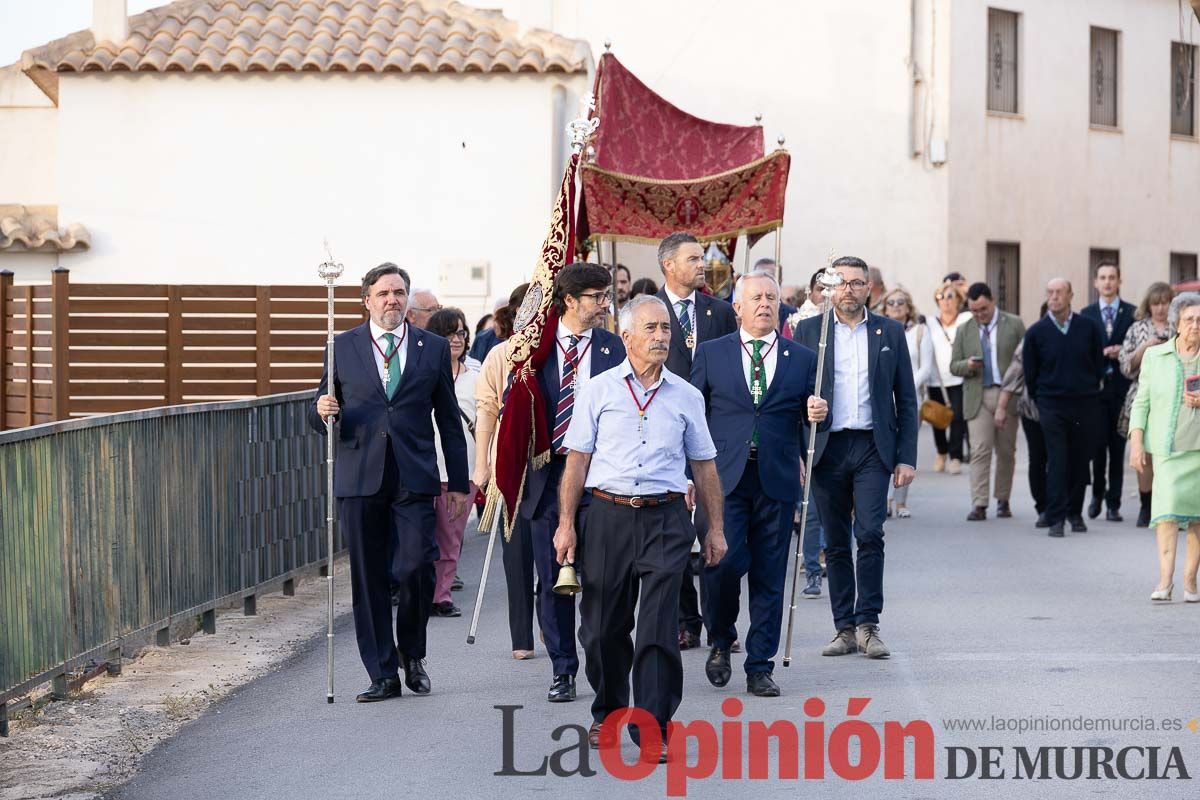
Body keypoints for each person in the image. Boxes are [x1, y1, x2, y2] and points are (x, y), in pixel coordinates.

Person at [554, 294, 727, 761]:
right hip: (608, 515)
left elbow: (705, 466)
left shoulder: (687, 395)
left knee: (656, 627)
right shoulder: (599, 390)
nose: (660, 337)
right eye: (650, 329)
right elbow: (577, 462)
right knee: (603, 628)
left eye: (666, 329)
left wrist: (715, 529)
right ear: (626, 336)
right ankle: (607, 712)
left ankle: (653, 727)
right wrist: (566, 524)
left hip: (667, 518)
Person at [311, 263, 468, 703]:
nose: (392, 300)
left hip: (414, 475)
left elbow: (449, 420)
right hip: (360, 475)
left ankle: (412, 654)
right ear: (367, 300)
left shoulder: (431, 348)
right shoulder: (341, 346)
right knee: (369, 577)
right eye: (383, 293)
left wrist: (457, 482)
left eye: (399, 292)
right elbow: (318, 412)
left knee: (416, 566)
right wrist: (320, 410)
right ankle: (382, 672)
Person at [692, 273, 827, 697]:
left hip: (777, 475)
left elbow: (818, 412)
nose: (765, 304)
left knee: (770, 574)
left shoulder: (801, 358)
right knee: (722, 564)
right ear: (738, 307)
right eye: (756, 297)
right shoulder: (712, 355)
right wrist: (687, 475)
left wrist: (818, 410)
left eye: (771, 297)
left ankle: (759, 665)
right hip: (722, 478)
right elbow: (691, 414)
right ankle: (719, 636)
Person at [794, 257, 918, 660]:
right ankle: (843, 628)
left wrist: (906, 458)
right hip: (828, 448)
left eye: (856, 283)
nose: (848, 289)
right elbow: (793, 392)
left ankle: (868, 624)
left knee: (869, 533)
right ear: (830, 289)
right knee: (835, 542)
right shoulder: (810, 330)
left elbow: (907, 399)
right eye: (841, 282)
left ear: (869, 289)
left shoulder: (890, 332)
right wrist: (805, 412)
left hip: (871, 448)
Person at [520, 264, 625, 703]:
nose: (605, 305)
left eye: (606, 296)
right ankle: (563, 669)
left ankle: (602, 658)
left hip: (601, 475)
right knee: (553, 577)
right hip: (549, 474)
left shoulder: (613, 348)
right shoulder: (534, 349)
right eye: (597, 297)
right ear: (570, 302)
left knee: (600, 577)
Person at [654, 231, 738, 650]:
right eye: (693, 258)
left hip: (711, 437)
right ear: (669, 265)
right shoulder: (648, 311)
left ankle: (721, 621)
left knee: (710, 529)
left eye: (701, 257)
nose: (701, 264)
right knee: (673, 535)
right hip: (665, 438)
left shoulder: (719, 312)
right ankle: (686, 620)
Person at [475, 283, 538, 660]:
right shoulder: (500, 355)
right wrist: (481, 463)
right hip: (509, 464)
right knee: (516, 554)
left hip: (550, 461)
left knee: (553, 552)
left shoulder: (552, 352)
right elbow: (485, 408)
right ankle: (522, 636)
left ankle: (551, 619)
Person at [1128, 292, 1200, 603]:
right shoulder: (1155, 357)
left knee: (1198, 517)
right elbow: (1140, 403)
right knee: (1166, 514)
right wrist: (1136, 443)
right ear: (1176, 323)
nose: (1195, 325)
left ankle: (1190, 581)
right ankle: (1165, 580)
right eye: (1189, 320)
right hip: (1168, 451)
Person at [1022, 278, 1105, 537]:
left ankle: (1075, 513)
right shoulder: (1036, 332)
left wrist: (1089, 389)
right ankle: (1056, 517)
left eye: (1059, 292)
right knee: (1057, 459)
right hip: (1051, 404)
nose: (1054, 297)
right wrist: (1042, 397)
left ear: (1071, 295)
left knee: (1080, 459)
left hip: (1084, 403)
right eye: (1050, 292)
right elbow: (1030, 372)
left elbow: (1098, 363)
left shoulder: (1088, 327)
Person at [950, 283, 1025, 521]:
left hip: (1008, 394)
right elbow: (954, 365)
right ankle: (979, 503)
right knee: (979, 451)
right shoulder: (964, 329)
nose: (979, 314)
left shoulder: (1014, 324)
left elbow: (1024, 360)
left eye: (983, 308)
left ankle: (1003, 500)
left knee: (1006, 451)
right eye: (974, 310)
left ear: (992, 301)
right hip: (977, 395)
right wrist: (968, 366)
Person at [425, 308, 478, 618]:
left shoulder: (477, 374)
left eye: (460, 333)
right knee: (420, 539)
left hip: (461, 470)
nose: (456, 340)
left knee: (450, 539)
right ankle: (420, 592)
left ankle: (441, 596)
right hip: (424, 468)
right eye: (448, 334)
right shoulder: (421, 371)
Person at [1080, 262, 1136, 522]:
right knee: (1097, 447)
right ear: (1095, 282)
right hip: (1096, 392)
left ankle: (1114, 503)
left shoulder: (1132, 313)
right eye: (1102, 278)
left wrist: (1121, 352)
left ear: (1119, 281)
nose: (1107, 282)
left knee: (1118, 447)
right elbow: (1082, 352)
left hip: (1122, 390)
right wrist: (1101, 354)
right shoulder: (1086, 314)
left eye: (1112, 277)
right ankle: (1097, 496)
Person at [1119, 282, 1176, 527]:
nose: (1161, 308)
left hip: (1174, 398)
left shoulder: (1181, 327)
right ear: (1148, 305)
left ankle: (1170, 506)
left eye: (1165, 303)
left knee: (1170, 454)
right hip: (1144, 396)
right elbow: (1125, 366)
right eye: (1156, 303)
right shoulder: (1137, 329)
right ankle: (1146, 504)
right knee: (1144, 454)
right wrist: (1145, 346)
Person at [881, 287, 931, 518]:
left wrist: (904, 387)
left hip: (910, 401)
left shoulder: (920, 331)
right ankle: (885, 499)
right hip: (883, 400)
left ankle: (901, 501)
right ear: (884, 307)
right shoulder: (879, 331)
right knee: (884, 449)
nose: (896, 305)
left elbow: (926, 367)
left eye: (901, 301)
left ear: (909, 305)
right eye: (891, 302)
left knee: (905, 449)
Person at [997, 336, 1049, 525]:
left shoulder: (1076, 334)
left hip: (1066, 409)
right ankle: (1043, 507)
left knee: (1062, 459)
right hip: (1033, 411)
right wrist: (1001, 408)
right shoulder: (1031, 339)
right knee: (1038, 458)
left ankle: (1064, 507)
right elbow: (1014, 375)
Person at [926, 282, 972, 474]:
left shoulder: (965, 319)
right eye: (941, 297)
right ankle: (941, 452)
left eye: (950, 296)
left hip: (959, 377)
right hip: (936, 379)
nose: (945, 301)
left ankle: (955, 457)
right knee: (937, 417)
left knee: (958, 418)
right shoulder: (929, 322)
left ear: (959, 300)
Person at [751, 258, 797, 334]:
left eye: (769, 277)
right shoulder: (744, 311)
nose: (764, 282)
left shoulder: (792, 314)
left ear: (780, 280)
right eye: (759, 277)